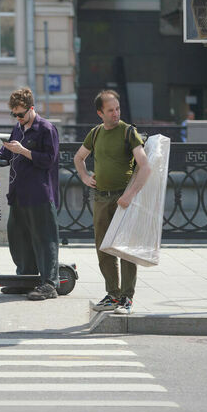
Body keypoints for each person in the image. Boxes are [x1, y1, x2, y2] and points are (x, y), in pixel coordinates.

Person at [0, 87, 60, 301]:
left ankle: (49, 284)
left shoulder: (46, 128)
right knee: (18, 236)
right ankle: (25, 279)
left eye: (21, 114)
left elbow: (49, 160)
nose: (18, 118)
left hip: (39, 193)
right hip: (18, 192)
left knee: (44, 238)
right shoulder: (17, 129)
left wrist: (24, 151)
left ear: (31, 109)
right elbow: (6, 154)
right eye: (14, 114)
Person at [73, 90, 151, 315]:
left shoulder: (128, 132)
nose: (116, 113)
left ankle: (127, 298)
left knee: (125, 249)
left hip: (123, 198)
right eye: (110, 110)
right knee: (103, 248)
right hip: (101, 197)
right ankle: (113, 295)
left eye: (117, 109)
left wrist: (130, 195)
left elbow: (145, 166)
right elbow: (79, 158)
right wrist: (86, 177)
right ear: (100, 113)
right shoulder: (96, 133)